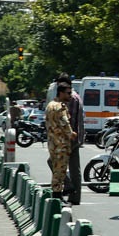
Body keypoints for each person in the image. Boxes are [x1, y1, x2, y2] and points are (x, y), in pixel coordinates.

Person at [45, 83, 77, 198]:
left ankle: (58, 195)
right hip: (61, 145)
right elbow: (65, 124)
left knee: (56, 170)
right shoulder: (60, 107)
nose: (70, 95)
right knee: (60, 172)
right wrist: (72, 134)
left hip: (53, 144)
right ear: (61, 93)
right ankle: (57, 197)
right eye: (68, 93)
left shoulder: (50, 105)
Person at [57, 75, 84, 205]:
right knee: (74, 169)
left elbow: (68, 120)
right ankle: (75, 197)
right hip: (75, 137)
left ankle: (68, 185)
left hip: (68, 137)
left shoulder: (70, 98)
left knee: (53, 162)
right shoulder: (77, 96)